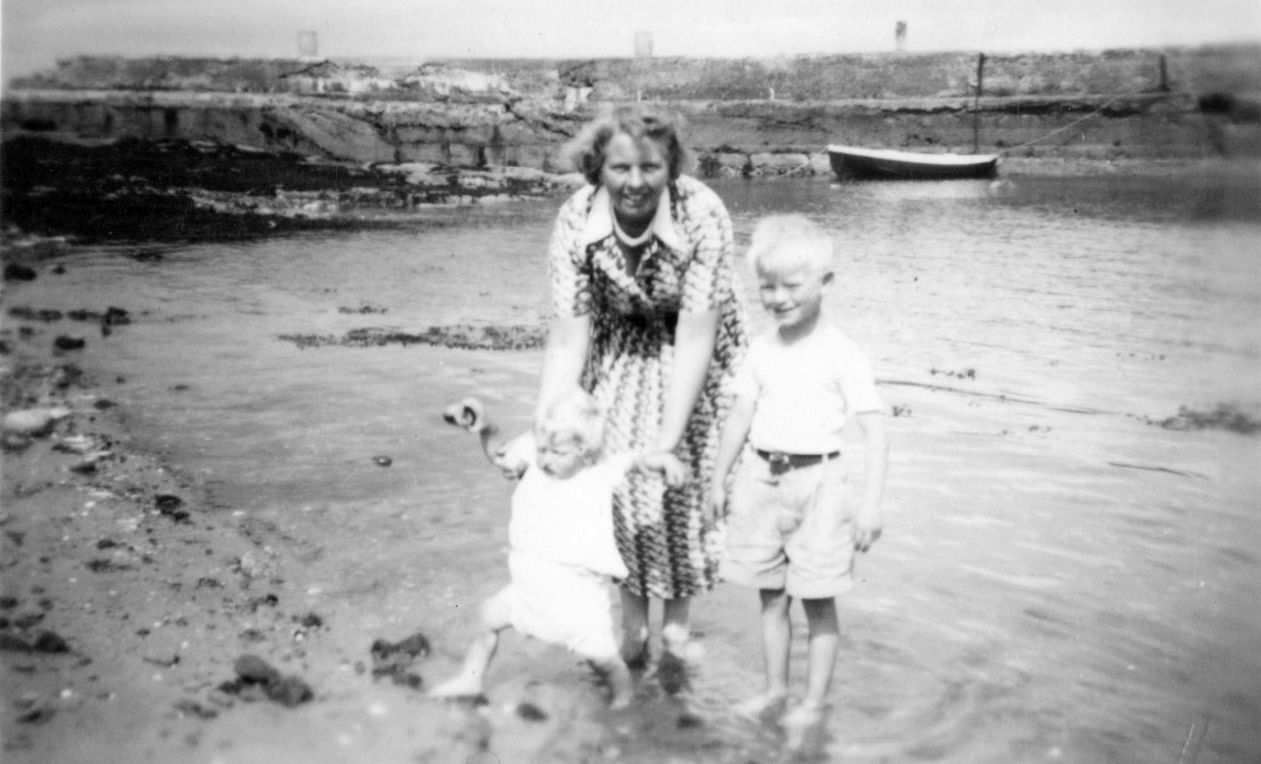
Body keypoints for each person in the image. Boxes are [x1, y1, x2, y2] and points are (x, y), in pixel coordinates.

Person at [503, 104, 748, 668]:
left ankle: (679, 631)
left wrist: (665, 441)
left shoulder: (703, 212)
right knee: (610, 479)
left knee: (679, 484)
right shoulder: (573, 221)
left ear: (672, 167)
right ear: (596, 170)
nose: (635, 183)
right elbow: (567, 341)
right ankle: (633, 627)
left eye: (650, 167)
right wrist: (542, 433)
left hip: (695, 344)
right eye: (619, 169)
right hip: (617, 342)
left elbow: (695, 339)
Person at [709, 214, 888, 734]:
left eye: (792, 285)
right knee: (770, 597)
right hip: (761, 478)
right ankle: (773, 692)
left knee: (818, 600)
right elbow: (739, 416)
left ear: (825, 283)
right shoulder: (761, 350)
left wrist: (871, 504)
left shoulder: (842, 354)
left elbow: (875, 432)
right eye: (767, 286)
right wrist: (718, 480)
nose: (778, 297)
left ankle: (813, 703)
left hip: (821, 487)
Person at [430, 391, 686, 708]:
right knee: (486, 618)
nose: (546, 458)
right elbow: (502, 454)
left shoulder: (597, 475)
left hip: (576, 598)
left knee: (604, 661)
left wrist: (662, 458)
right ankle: (470, 679)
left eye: (557, 452)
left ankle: (624, 702)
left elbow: (635, 460)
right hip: (528, 587)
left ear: (586, 453)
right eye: (542, 449)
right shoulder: (537, 464)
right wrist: (485, 426)